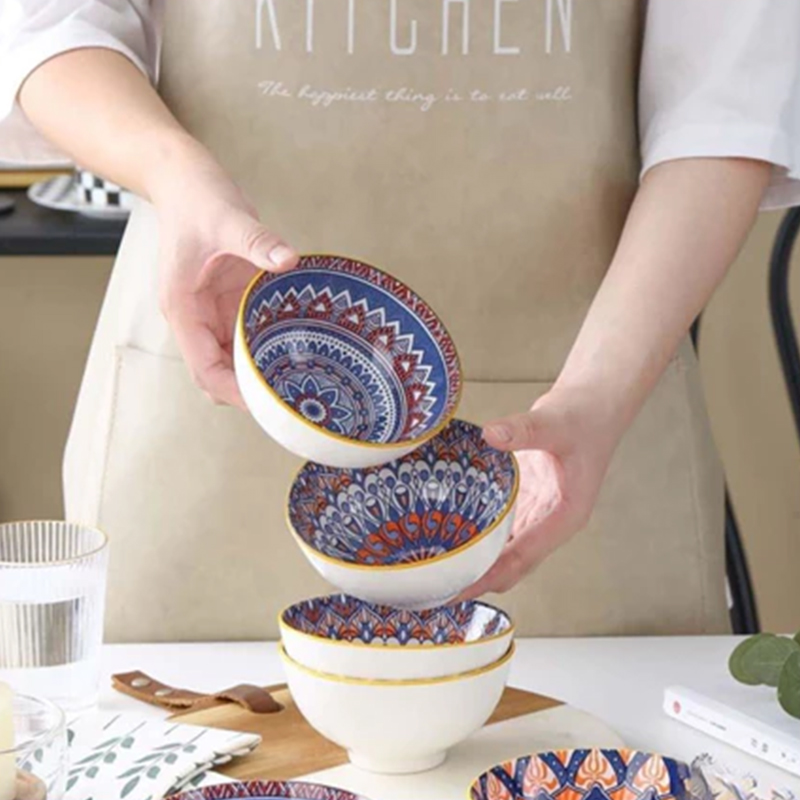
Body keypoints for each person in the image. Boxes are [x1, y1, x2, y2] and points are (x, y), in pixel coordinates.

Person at [1, 1, 798, 641]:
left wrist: (598, 392)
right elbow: (49, 24)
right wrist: (172, 170)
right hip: (207, 414)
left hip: (579, 438)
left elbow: (723, 110)